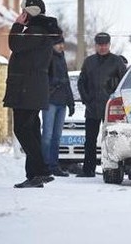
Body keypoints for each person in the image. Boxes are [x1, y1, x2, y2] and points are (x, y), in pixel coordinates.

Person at [3, 0, 62, 188]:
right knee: (32, 131)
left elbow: (15, 45)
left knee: (22, 129)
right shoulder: (42, 32)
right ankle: (34, 175)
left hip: (26, 90)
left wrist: (16, 26)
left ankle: (42, 170)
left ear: (31, 12)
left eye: (24, 12)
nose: (22, 15)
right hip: (32, 89)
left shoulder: (36, 31)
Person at [76, 32, 127, 177]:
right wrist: (86, 99)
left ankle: (113, 168)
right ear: (95, 46)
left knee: (112, 139)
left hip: (111, 109)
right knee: (90, 140)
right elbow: (81, 82)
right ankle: (88, 170)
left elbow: (123, 84)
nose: (102, 47)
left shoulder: (117, 62)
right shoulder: (89, 61)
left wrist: (116, 101)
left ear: (109, 45)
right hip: (92, 107)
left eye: (105, 45)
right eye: (100, 45)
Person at [41, 36, 75, 177]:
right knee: (47, 135)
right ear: (53, 45)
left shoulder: (62, 58)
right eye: (58, 44)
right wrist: (54, 84)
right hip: (50, 102)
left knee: (57, 136)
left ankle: (54, 165)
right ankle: (44, 166)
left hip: (62, 103)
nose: (61, 46)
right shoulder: (47, 57)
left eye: (62, 43)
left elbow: (66, 82)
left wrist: (71, 102)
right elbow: (43, 79)